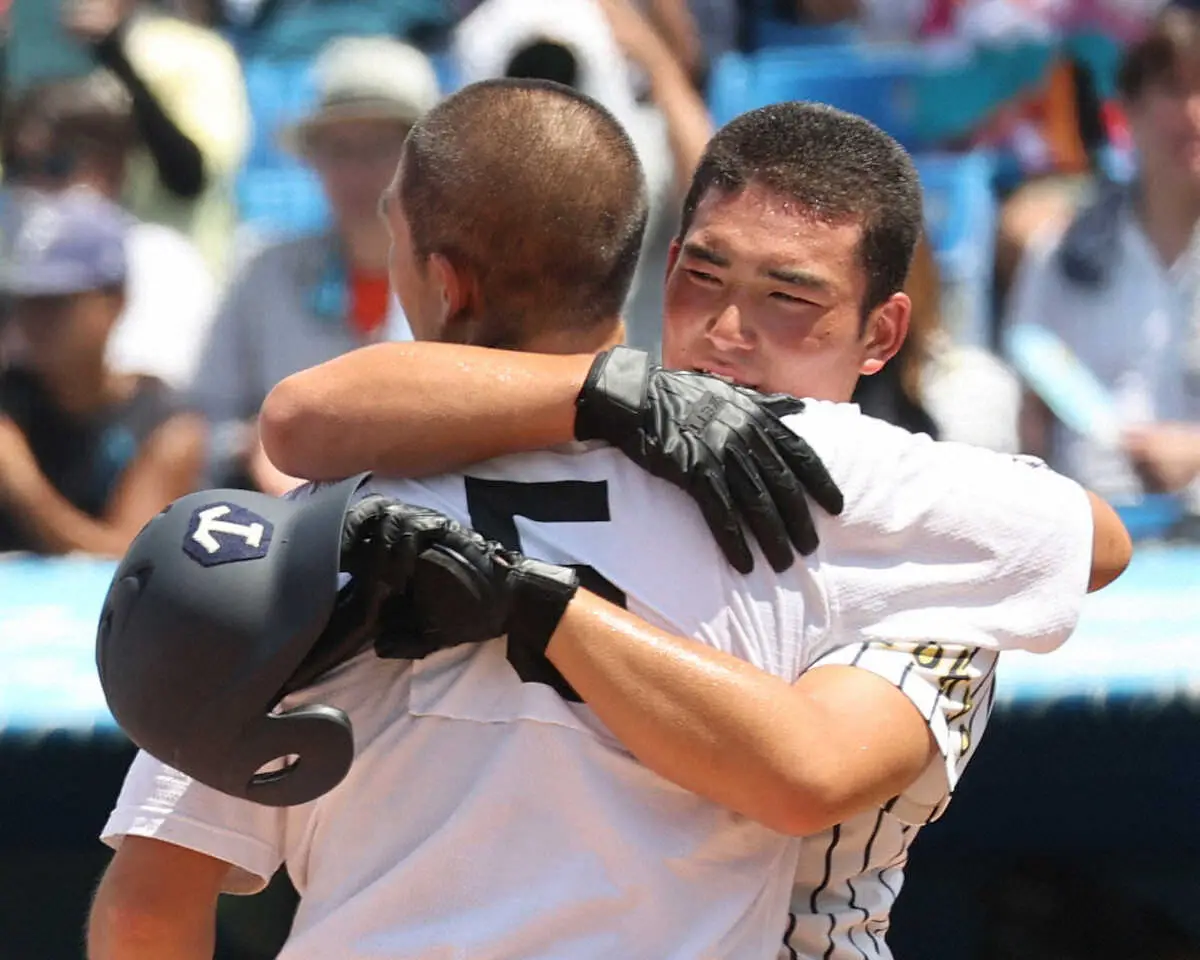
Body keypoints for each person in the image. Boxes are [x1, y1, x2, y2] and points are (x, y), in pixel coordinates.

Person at [91, 85, 1130, 960]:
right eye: (706, 277)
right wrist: (609, 397)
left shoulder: (903, 522)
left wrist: (528, 599)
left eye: (791, 298)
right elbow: (300, 418)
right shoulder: (357, 502)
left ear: (882, 331)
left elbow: (807, 773)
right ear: (655, 266)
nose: (729, 332)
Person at [187, 35, 437, 495]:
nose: (356, 173)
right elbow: (202, 420)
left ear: (423, 161)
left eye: (380, 148)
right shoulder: (264, 272)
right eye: (338, 150)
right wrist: (257, 446)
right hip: (284, 522)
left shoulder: (466, 279)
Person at [1004, 0, 1200, 518]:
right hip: (1094, 536)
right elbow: (1031, 414)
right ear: (1129, 107)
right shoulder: (1061, 252)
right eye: (1175, 88)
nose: (1193, 112)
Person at [0, 189, 205, 556]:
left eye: (57, 302)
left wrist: (24, 488)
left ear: (116, 300)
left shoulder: (163, 427)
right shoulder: (8, 400)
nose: (35, 320)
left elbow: (130, 562)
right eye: (26, 301)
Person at [1, 77, 218, 391]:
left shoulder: (163, 260)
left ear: (112, 165)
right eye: (16, 166)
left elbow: (156, 404)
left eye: (54, 165)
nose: (32, 183)